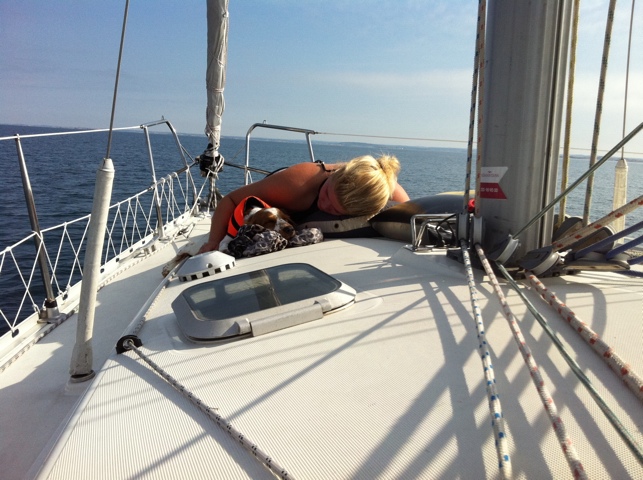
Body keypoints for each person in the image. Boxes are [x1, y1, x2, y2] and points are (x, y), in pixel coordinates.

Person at [199, 155, 410, 253]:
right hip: (268, 211)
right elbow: (230, 199)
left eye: (334, 209)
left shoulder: (382, 186)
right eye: (326, 194)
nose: (324, 204)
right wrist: (213, 242)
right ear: (336, 173)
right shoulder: (297, 183)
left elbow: (411, 212)